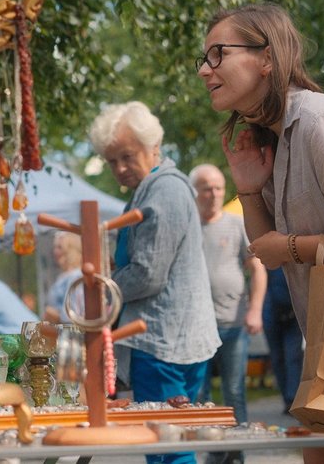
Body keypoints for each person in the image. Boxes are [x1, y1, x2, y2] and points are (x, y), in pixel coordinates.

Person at [197, 2, 324, 463]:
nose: (205, 70)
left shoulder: (323, 123)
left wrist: (290, 246)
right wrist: (248, 190)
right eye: (203, 59)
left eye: (218, 54)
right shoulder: (280, 137)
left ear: (267, 58)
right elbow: (271, 253)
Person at [89, 101, 220, 464]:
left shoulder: (164, 191)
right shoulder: (155, 187)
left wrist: (99, 292)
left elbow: (148, 273)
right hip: (169, 338)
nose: (119, 168)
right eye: (112, 160)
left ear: (153, 147)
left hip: (164, 343)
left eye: (127, 157)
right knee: (168, 443)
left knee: (169, 449)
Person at [191, 164, 267, 464]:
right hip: (198, 328)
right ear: (195, 191)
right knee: (201, 395)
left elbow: (257, 268)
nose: (214, 194)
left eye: (219, 187)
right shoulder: (188, 226)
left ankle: (235, 454)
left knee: (235, 391)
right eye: (207, 188)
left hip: (233, 325)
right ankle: (214, 451)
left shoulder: (236, 224)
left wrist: (255, 310)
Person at [262, 267, 303, 414]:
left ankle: (293, 399)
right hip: (271, 313)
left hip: (294, 313)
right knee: (277, 358)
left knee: (293, 357)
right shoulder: (270, 256)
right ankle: (287, 398)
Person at [42, 231, 84, 324]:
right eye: (55, 247)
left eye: (59, 247)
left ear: (71, 250)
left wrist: (52, 314)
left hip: (68, 334)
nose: (55, 251)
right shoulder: (65, 276)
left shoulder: (75, 276)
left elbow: (73, 315)